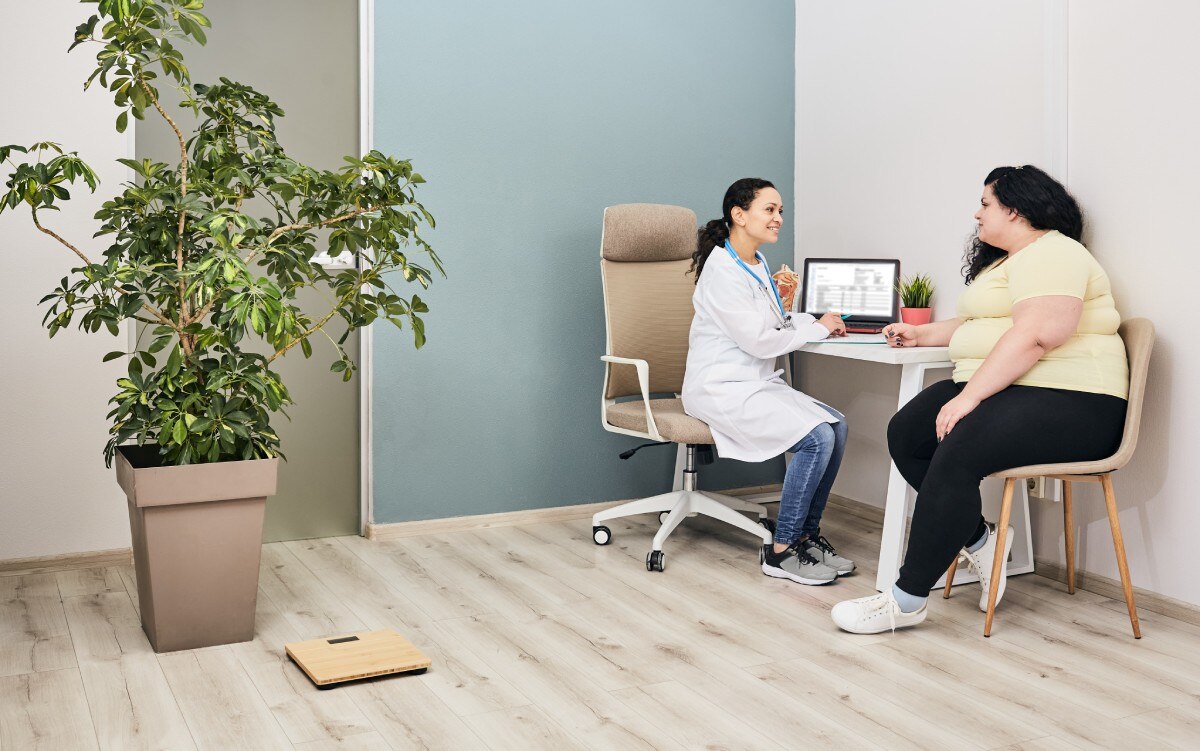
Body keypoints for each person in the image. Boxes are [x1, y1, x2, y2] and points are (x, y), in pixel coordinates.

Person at [831, 165, 1129, 634]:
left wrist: (969, 397)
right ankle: (981, 539)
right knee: (907, 434)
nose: (977, 213)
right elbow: (980, 323)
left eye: (985, 204)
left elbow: (1038, 334)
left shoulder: (1054, 253)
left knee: (958, 448)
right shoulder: (1008, 263)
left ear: (1016, 209)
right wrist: (921, 332)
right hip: (1016, 387)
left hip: (1076, 399)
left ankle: (905, 601)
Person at [682, 177, 854, 586]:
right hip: (720, 388)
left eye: (780, 211)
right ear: (738, 216)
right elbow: (759, 340)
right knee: (816, 439)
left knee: (837, 426)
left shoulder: (755, 264)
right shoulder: (722, 272)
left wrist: (816, 320)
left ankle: (807, 537)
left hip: (752, 383)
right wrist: (818, 331)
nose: (778, 218)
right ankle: (781, 550)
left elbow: (772, 322)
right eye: (770, 210)